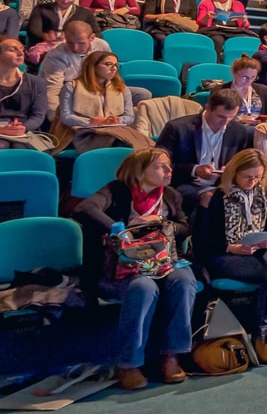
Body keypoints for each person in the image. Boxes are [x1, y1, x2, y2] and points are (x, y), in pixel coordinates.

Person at [72, 147, 196, 390]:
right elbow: (83, 209)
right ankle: (129, 363)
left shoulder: (170, 195)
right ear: (140, 172)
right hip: (120, 267)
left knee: (184, 280)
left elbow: (184, 227)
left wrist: (160, 223)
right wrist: (123, 230)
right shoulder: (116, 191)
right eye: (161, 166)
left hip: (162, 261)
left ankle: (172, 355)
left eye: (169, 166)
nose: (169, 171)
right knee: (143, 287)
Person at [197, 149, 267, 364]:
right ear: (234, 173)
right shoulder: (214, 198)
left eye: (257, 177)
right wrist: (231, 247)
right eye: (247, 177)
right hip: (223, 256)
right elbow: (202, 241)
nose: (252, 182)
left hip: (257, 253)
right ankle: (263, 337)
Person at [156, 88, 254, 207]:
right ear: (207, 108)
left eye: (231, 117)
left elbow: (242, 162)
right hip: (186, 183)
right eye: (221, 116)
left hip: (223, 184)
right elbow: (160, 166)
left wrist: (230, 168)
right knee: (213, 199)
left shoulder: (238, 131)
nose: (226, 122)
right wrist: (195, 170)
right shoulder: (178, 128)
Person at [60, 51, 147, 151]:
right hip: (85, 133)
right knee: (121, 142)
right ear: (93, 66)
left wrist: (116, 120)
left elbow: (129, 117)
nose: (114, 69)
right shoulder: (71, 87)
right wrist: (93, 122)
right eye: (108, 64)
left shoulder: (122, 89)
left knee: (142, 144)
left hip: (116, 129)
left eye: (116, 65)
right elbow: (66, 117)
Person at [39, 21, 112, 119]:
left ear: (92, 38)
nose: (75, 48)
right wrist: (56, 119)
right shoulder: (56, 55)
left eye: (81, 43)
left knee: (138, 94)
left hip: (96, 89)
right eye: (70, 42)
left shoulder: (102, 46)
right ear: (65, 37)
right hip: (68, 93)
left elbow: (110, 75)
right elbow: (53, 90)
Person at [0, 36, 54, 151]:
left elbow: (38, 115)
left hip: (25, 130)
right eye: (12, 49)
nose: (20, 53)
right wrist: (2, 129)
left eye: (21, 48)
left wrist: (22, 128)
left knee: (21, 148)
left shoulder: (36, 82)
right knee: (1, 146)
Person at [28, 0, 95, 48]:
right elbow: (33, 31)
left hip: (74, 47)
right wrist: (44, 36)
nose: (65, 1)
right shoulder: (41, 9)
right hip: (45, 47)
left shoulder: (84, 13)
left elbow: (95, 33)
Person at [228, 56, 267, 123]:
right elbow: (217, 117)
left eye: (253, 77)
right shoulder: (222, 90)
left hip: (258, 128)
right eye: (245, 77)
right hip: (233, 129)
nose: (249, 81)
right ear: (235, 73)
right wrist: (239, 120)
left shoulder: (263, 90)